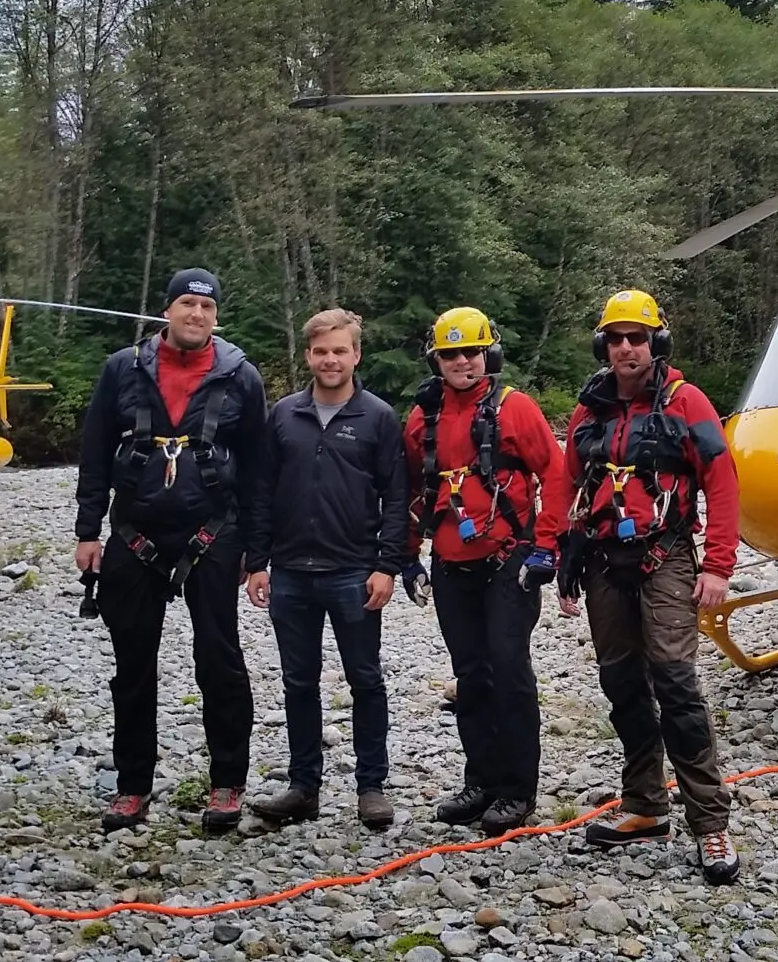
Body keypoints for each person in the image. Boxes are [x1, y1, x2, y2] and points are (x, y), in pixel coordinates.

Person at [554, 288, 742, 884]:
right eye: (616, 338)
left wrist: (717, 566)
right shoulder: (589, 411)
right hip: (604, 562)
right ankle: (643, 805)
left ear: (655, 342)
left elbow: (723, 480)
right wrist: (564, 559)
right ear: (603, 345)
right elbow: (566, 486)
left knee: (675, 682)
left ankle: (711, 825)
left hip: (667, 558)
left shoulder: (686, 403)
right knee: (622, 683)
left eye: (637, 337)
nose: (626, 348)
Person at [73, 268, 269, 834]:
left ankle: (228, 782)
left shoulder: (240, 378)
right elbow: (93, 454)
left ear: (216, 316)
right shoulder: (123, 370)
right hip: (135, 530)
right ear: (168, 310)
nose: (196, 315)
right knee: (133, 664)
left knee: (219, 660)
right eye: (187, 304)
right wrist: (89, 532)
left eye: (206, 308)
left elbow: (258, 472)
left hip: (213, 530)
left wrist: (257, 555)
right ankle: (132, 786)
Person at [400, 306, 571, 837]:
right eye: (450, 354)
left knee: (508, 669)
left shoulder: (516, 410)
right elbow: (410, 491)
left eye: (471, 352)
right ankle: (481, 780)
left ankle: (517, 789)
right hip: (451, 564)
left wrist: (546, 546)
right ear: (436, 359)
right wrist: (407, 555)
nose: (462, 362)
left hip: (509, 561)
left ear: (488, 354)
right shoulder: (420, 418)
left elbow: (558, 474)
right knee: (470, 674)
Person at [242, 309, 411, 831]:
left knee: (366, 680)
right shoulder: (283, 415)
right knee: (298, 682)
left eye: (340, 350)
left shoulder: (378, 417)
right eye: (321, 351)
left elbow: (398, 497)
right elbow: (262, 492)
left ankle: (371, 787)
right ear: (308, 355)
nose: (330, 360)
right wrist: (257, 562)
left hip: (353, 572)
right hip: (290, 572)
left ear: (356, 354)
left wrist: (387, 565)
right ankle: (303, 787)